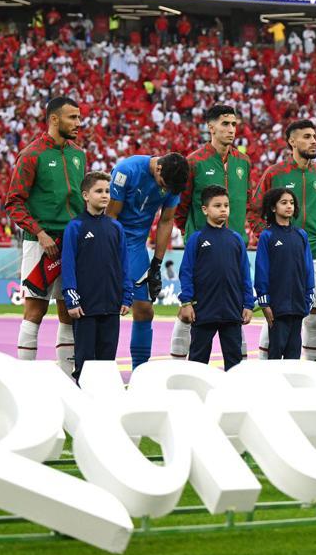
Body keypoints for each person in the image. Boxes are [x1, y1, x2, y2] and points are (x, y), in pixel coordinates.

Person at [5, 97, 85, 380]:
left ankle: (68, 380)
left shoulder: (79, 154)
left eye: (78, 117)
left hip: (72, 244)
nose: (78, 123)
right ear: (54, 119)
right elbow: (13, 201)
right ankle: (24, 382)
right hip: (40, 242)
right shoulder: (31, 155)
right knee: (34, 311)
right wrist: (39, 233)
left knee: (70, 311)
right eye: (72, 117)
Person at [250, 119, 316, 362]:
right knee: (275, 315)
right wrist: (268, 235)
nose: (313, 141)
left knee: (314, 314)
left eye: (314, 136)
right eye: (307, 136)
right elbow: (254, 209)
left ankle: (309, 371)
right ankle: (264, 369)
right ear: (292, 141)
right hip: (281, 256)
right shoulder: (275, 173)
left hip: (315, 252)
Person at [171, 105, 255, 362]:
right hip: (202, 246)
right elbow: (181, 207)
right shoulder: (194, 162)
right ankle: (179, 366)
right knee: (194, 313)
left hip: (234, 246)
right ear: (211, 127)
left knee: (232, 314)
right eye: (225, 123)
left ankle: (236, 374)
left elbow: (247, 201)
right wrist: (196, 235)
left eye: (233, 124)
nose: (231, 129)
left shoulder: (243, 162)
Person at [106, 153, 189, 369]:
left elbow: (167, 220)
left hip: (136, 247)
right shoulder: (127, 170)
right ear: (158, 168)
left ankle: (139, 371)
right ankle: (93, 366)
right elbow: (110, 217)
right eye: (163, 185)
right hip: (113, 241)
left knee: (144, 309)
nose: (166, 190)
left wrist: (157, 264)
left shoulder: (171, 182)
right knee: (102, 309)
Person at [61, 172, 133, 381]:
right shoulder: (75, 227)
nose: (104, 195)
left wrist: (126, 296)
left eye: (107, 191)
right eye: (99, 191)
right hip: (85, 307)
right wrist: (71, 298)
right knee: (84, 361)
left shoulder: (116, 227)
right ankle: (81, 402)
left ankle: (104, 405)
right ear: (85, 195)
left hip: (111, 305)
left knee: (107, 362)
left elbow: (124, 265)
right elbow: (68, 265)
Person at [179, 186, 255, 370]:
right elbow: (186, 272)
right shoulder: (196, 239)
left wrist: (248, 304)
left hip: (231, 310)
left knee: (234, 360)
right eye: (217, 205)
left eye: (226, 205)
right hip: (204, 310)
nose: (223, 209)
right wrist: (187, 302)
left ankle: (233, 397)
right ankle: (196, 394)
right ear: (205, 209)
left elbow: (245, 274)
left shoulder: (236, 239)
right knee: (198, 359)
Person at [254, 187, 313, 360]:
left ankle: (291, 386)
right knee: (276, 350)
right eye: (284, 202)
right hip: (278, 306)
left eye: (292, 203)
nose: (289, 206)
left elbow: (308, 267)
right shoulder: (267, 236)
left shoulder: (301, 235)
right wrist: (264, 302)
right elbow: (262, 270)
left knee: (294, 353)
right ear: (273, 208)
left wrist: (308, 295)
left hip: (298, 304)